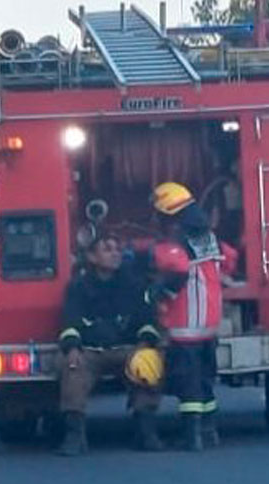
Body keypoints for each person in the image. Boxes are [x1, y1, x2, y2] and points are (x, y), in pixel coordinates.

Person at [55, 234, 165, 456]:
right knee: (72, 367)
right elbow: (70, 322)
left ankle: (146, 431)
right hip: (90, 352)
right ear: (92, 257)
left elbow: (149, 321)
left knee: (148, 363)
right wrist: (73, 348)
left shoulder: (134, 285)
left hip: (127, 350)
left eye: (117, 249)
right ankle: (74, 435)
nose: (115, 253)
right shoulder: (77, 287)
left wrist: (145, 345)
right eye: (107, 249)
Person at [148, 182, 238, 451]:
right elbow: (230, 258)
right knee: (205, 380)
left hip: (185, 325)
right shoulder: (209, 238)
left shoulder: (173, 244)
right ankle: (208, 430)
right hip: (209, 323)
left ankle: (192, 435)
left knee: (187, 384)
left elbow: (175, 272)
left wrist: (156, 295)